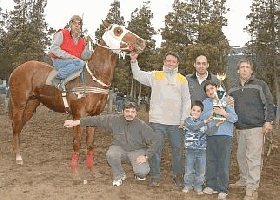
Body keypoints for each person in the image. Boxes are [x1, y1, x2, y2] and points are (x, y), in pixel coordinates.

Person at [129, 51, 191, 187]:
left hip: (176, 123)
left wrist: (184, 118)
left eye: (173, 61)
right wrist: (134, 61)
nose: (171, 63)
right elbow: (138, 75)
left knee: (177, 151)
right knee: (156, 150)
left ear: (177, 64)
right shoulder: (155, 75)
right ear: (164, 62)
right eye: (168, 61)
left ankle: (177, 175)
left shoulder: (182, 79)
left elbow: (187, 100)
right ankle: (155, 175)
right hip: (157, 121)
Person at [63, 101, 160, 187]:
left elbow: (155, 141)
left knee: (142, 172)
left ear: (136, 113)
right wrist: (76, 122)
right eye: (127, 111)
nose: (129, 114)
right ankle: (119, 175)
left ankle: (138, 174)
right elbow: (97, 120)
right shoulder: (115, 120)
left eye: (132, 112)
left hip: (136, 151)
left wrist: (146, 156)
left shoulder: (141, 125)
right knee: (111, 154)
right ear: (122, 111)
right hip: (120, 149)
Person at [228, 59, 275, 200]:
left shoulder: (260, 85)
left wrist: (268, 121)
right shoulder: (232, 88)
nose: (244, 69)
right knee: (241, 157)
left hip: (256, 128)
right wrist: (228, 103)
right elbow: (229, 108)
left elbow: (269, 102)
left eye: (247, 67)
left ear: (251, 70)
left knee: (253, 159)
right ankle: (244, 180)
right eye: (242, 67)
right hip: (240, 128)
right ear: (237, 70)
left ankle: (252, 189)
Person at [201, 80, 238, 200]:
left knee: (223, 162)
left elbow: (235, 118)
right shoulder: (205, 103)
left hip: (225, 136)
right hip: (211, 135)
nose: (210, 91)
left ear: (217, 88)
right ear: (206, 93)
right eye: (207, 90)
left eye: (212, 88)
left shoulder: (226, 100)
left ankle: (223, 188)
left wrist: (224, 113)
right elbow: (200, 117)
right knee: (211, 161)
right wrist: (210, 113)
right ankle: (211, 185)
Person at [182, 100, 222, 195]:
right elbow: (193, 127)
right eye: (194, 110)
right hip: (190, 150)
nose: (195, 112)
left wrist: (216, 125)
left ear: (201, 112)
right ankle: (188, 185)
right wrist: (205, 121)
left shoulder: (203, 123)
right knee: (189, 169)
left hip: (202, 150)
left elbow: (209, 132)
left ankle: (198, 186)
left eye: (198, 111)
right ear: (190, 111)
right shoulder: (188, 121)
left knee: (201, 170)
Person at [49, 15, 93, 91]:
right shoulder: (62, 33)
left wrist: (89, 45)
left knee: (82, 64)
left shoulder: (82, 41)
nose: (77, 26)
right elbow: (54, 48)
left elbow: (85, 56)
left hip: (74, 63)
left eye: (79, 24)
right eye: (74, 23)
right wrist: (69, 56)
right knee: (80, 63)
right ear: (70, 24)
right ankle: (57, 78)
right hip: (60, 62)